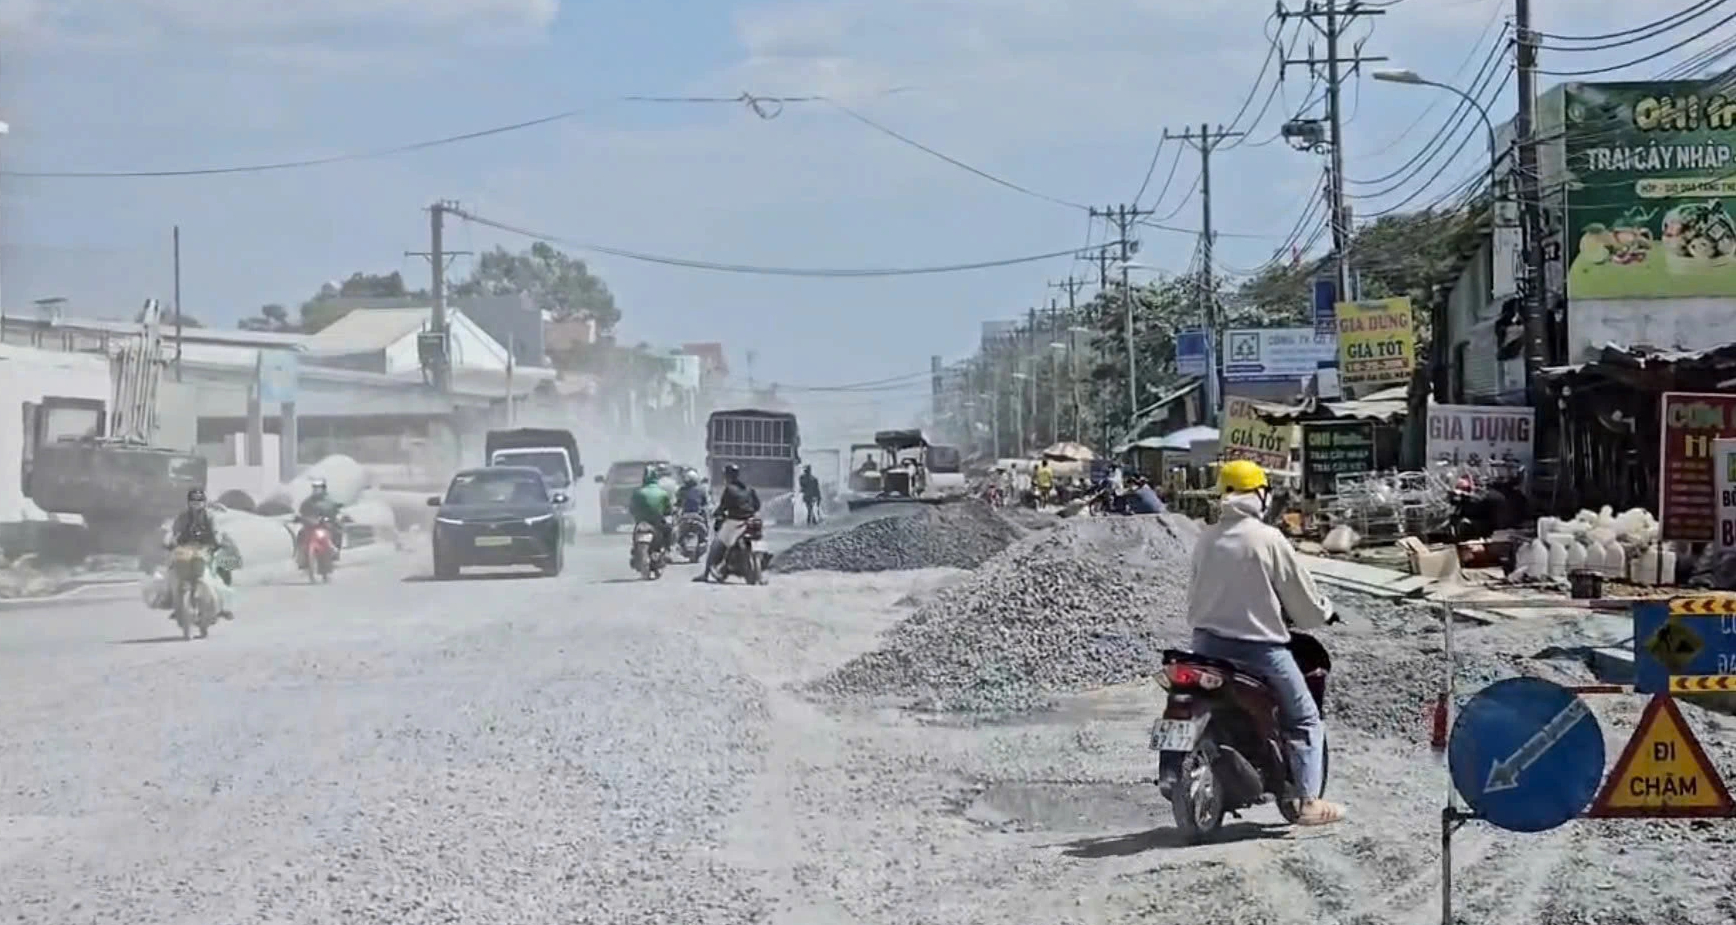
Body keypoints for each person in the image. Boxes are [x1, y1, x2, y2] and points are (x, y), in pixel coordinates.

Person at [1186, 459, 1343, 827]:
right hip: (1258, 652)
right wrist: (1323, 613)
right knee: (1305, 719)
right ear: (1259, 494)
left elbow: (1194, 592)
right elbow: (1302, 601)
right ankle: (1308, 802)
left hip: (1204, 646)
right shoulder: (1268, 538)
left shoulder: (1206, 538)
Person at [167, 488, 235, 618]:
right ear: (188, 502)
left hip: (207, 548)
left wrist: (218, 543)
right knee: (172, 569)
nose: (196, 503)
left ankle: (223, 606)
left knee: (224, 568)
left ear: (204, 502)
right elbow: (175, 532)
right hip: (185, 549)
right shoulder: (182, 517)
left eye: (199, 500)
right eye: (193, 500)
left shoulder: (210, 517)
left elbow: (216, 531)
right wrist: (170, 542)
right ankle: (176, 603)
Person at [696, 463, 760, 582]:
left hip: (734, 522)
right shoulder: (749, 489)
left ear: (727, 476)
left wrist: (716, 514)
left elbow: (723, 507)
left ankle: (705, 575)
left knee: (715, 545)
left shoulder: (729, 489)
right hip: (750, 520)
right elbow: (757, 506)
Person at [628, 468, 674, 558]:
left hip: (642, 522)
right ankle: (667, 550)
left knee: (636, 532)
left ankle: (634, 549)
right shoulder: (663, 493)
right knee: (668, 530)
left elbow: (632, 508)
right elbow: (668, 509)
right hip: (657, 522)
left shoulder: (638, 492)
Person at [296, 477, 345, 562]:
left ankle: (335, 550)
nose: (317, 490)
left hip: (326, 524)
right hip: (312, 525)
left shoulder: (330, 500)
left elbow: (335, 510)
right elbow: (302, 511)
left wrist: (333, 517)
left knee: (337, 531)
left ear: (323, 488)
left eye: (319, 488)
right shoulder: (308, 501)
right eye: (315, 488)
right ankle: (300, 556)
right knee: (301, 533)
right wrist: (300, 518)